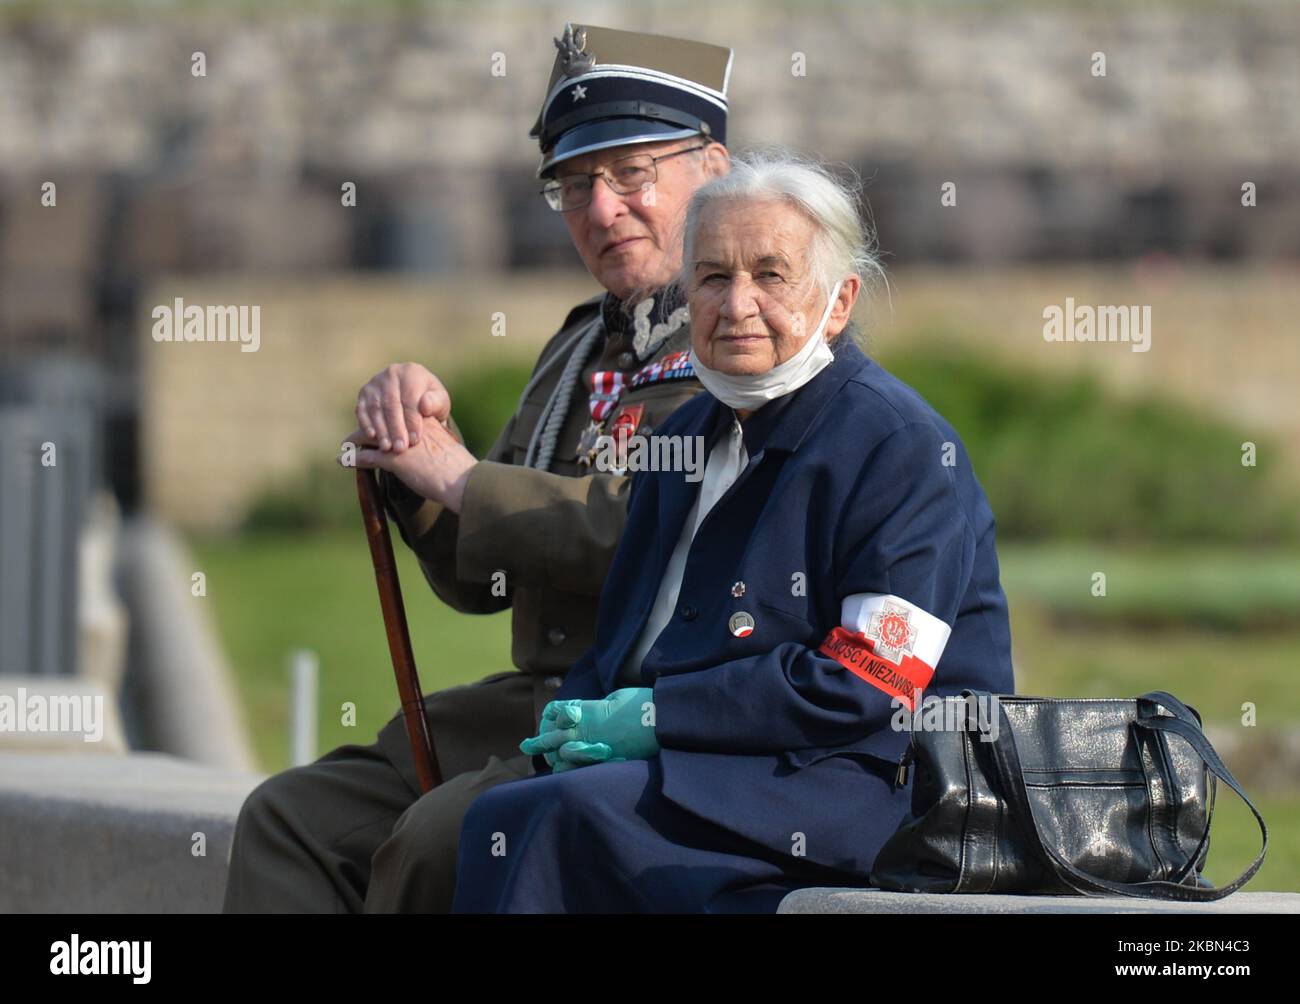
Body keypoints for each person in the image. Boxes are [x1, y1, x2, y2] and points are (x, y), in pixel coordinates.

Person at [222, 24, 733, 913]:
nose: (602, 210)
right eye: (574, 184)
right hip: (535, 703)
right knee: (288, 818)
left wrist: (463, 478)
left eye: (631, 174)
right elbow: (486, 581)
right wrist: (414, 462)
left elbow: (660, 533)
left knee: (434, 845)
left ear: (715, 170)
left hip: (661, 714)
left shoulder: (747, 345)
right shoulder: (576, 349)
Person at [450, 152, 1016, 913]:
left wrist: (658, 718)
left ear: (839, 300)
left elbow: (871, 680)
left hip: (864, 785)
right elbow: (623, 640)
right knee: (505, 812)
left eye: (770, 275)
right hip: (714, 770)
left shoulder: (901, 446)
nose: (737, 303)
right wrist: (578, 722)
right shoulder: (688, 434)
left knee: (552, 822)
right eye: (713, 277)